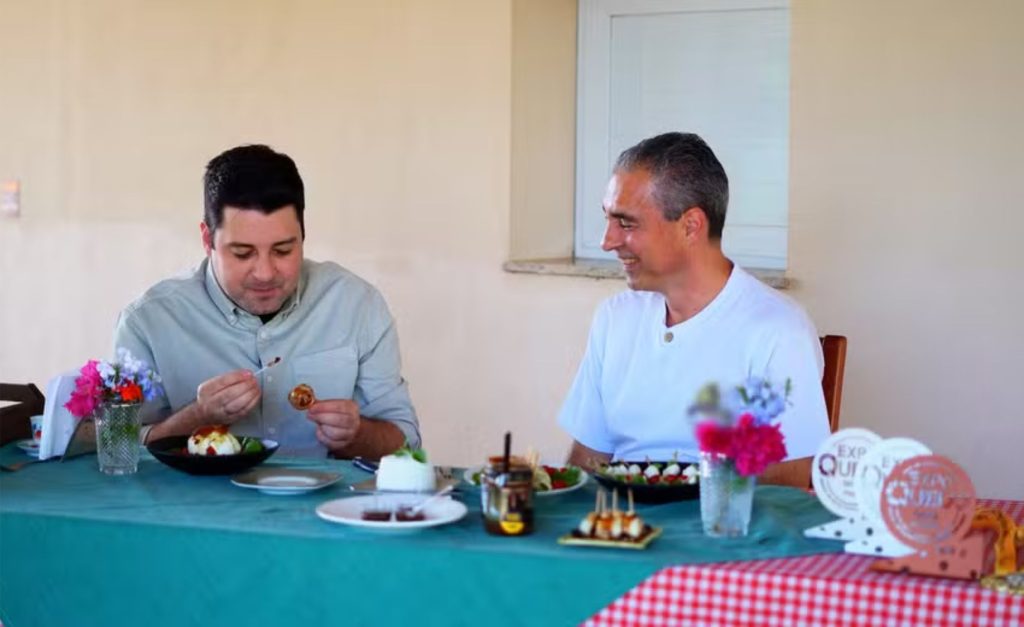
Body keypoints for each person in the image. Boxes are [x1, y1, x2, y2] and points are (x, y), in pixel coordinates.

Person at [114, 144, 419, 459]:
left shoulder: (357, 305)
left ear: (303, 234)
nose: (265, 273)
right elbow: (119, 451)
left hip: (324, 507)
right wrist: (199, 416)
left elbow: (406, 442)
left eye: (283, 250)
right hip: (195, 507)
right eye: (243, 253)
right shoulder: (148, 322)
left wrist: (357, 435)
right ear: (207, 239)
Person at [558, 132, 830, 482]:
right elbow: (586, 461)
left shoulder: (777, 329)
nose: (606, 241)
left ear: (691, 226)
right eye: (607, 219)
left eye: (626, 223)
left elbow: (782, 487)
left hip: (716, 530)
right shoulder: (615, 318)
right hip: (617, 528)